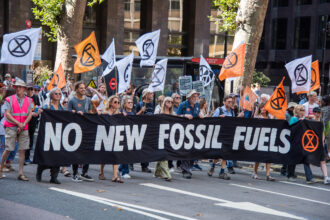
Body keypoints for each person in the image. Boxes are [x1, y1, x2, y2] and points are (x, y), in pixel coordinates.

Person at [0, 79, 33, 181]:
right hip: (11, 126)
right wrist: (18, 123)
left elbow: (30, 114)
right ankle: (0, 169)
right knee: (9, 148)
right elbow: (7, 114)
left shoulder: (29, 100)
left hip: (23, 126)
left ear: (24, 89)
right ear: (14, 88)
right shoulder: (9, 99)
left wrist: (23, 124)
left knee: (22, 150)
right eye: (16, 87)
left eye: (20, 87)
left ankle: (21, 173)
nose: (18, 88)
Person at [35, 88, 64, 184]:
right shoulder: (47, 106)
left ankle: (54, 177)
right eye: (56, 94)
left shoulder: (62, 107)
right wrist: (39, 111)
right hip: (48, 133)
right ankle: (40, 170)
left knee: (58, 155)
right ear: (51, 95)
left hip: (59, 134)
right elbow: (37, 112)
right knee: (47, 154)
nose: (58, 95)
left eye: (59, 94)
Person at [67, 81, 94, 182]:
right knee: (76, 151)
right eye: (81, 88)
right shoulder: (72, 100)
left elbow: (90, 112)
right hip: (76, 129)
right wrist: (74, 113)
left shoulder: (88, 100)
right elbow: (67, 113)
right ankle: (75, 173)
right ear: (76, 89)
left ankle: (84, 173)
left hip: (86, 128)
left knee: (87, 150)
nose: (83, 90)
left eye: (84, 88)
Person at [176, 90, 204, 179]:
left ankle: (189, 167)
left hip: (194, 132)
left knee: (193, 151)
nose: (196, 98)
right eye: (194, 97)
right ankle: (185, 170)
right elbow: (176, 116)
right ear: (189, 97)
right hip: (184, 132)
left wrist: (200, 114)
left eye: (197, 97)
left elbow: (197, 113)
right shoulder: (183, 105)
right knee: (185, 150)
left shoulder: (197, 105)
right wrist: (184, 116)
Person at [208, 95, 236, 180]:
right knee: (218, 154)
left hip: (228, 136)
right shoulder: (219, 110)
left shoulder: (232, 112)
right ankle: (212, 166)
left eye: (231, 102)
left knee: (225, 154)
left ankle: (222, 172)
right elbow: (211, 122)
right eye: (228, 102)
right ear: (224, 102)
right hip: (219, 135)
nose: (230, 103)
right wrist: (219, 118)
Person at [99, 95, 123, 183]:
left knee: (116, 155)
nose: (117, 104)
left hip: (116, 136)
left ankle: (115, 176)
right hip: (105, 135)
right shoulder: (105, 112)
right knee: (105, 156)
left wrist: (123, 116)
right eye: (115, 102)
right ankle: (101, 172)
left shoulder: (119, 113)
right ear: (110, 103)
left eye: (118, 102)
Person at [252, 103, 275, 181]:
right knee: (258, 157)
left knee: (268, 157)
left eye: (264, 108)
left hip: (268, 139)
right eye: (261, 108)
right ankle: (255, 173)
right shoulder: (257, 117)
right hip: (259, 139)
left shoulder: (270, 117)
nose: (263, 109)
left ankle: (268, 175)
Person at [154, 97, 173, 181]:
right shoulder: (159, 112)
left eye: (171, 102)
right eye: (168, 101)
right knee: (164, 154)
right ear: (164, 102)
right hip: (160, 135)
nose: (170, 103)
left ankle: (157, 172)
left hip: (169, 136)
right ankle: (167, 174)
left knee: (162, 153)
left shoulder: (172, 113)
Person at [136, 88, 155, 173]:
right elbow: (134, 116)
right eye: (150, 93)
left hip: (150, 128)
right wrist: (141, 111)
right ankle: (130, 162)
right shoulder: (140, 104)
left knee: (146, 148)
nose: (152, 95)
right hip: (140, 128)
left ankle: (145, 166)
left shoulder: (151, 104)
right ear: (146, 95)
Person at [24, 83, 41, 164]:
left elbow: (38, 107)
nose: (30, 91)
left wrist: (37, 112)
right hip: (25, 121)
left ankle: (27, 157)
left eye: (32, 89)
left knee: (30, 139)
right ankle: (24, 157)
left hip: (33, 121)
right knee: (24, 139)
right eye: (29, 89)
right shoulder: (24, 98)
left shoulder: (35, 97)